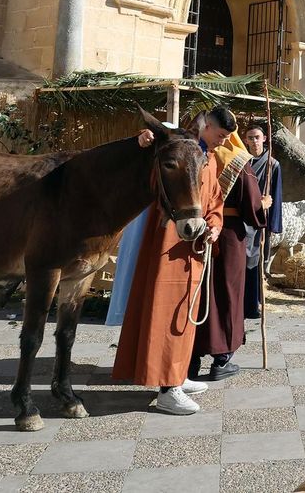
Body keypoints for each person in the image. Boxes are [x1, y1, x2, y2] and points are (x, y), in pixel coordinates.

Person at [112, 115, 226, 416]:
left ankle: (176, 374)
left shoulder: (208, 161)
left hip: (195, 249)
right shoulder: (174, 148)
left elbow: (214, 201)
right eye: (221, 134)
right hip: (167, 246)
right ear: (206, 127)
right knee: (164, 315)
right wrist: (143, 138)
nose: (223, 141)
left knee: (184, 316)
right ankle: (167, 389)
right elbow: (149, 145)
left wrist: (215, 225)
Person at [189, 109, 267, 383]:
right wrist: (262, 212)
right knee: (229, 295)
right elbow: (252, 204)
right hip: (230, 236)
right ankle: (222, 360)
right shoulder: (238, 160)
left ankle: (192, 358)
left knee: (201, 293)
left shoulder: (199, 155)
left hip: (198, 233)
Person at [241, 121, 283, 323]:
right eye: (250, 138)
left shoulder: (272, 165)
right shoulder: (242, 161)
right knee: (243, 261)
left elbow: (276, 195)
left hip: (261, 221)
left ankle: (253, 303)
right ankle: (243, 303)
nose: (254, 141)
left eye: (257, 137)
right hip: (243, 219)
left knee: (257, 262)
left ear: (264, 139)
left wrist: (273, 225)